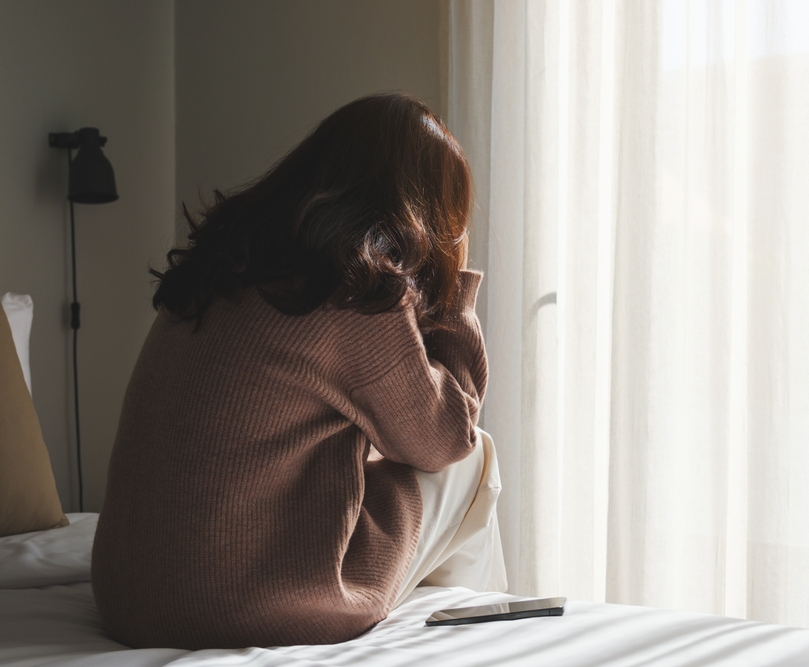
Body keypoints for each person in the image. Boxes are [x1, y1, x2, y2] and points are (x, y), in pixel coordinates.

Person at [91, 93, 505, 650]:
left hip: (130, 601)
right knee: (474, 455)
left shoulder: (223, 265)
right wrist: (454, 294)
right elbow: (444, 439)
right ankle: (475, 640)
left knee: (381, 451)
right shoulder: (354, 292)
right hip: (253, 607)